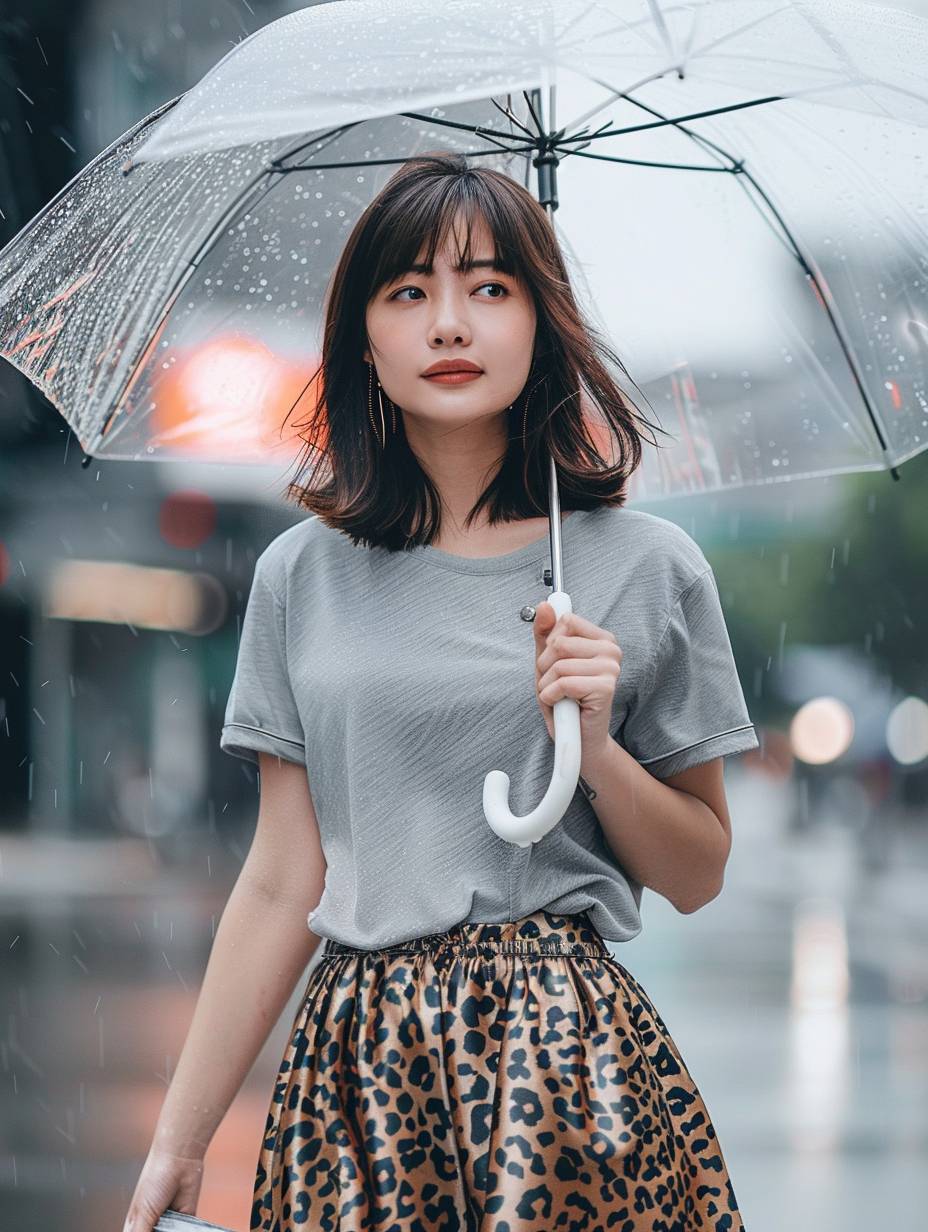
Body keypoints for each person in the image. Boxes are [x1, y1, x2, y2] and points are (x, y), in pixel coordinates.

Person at [124, 152, 758, 1232]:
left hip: (574, 1077)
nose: (450, 323)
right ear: (363, 339)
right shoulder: (300, 576)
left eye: (489, 287)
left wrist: (595, 746)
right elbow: (282, 880)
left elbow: (696, 870)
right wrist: (181, 1140)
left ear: (540, 323)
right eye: (409, 290)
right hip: (360, 1074)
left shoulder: (647, 568)